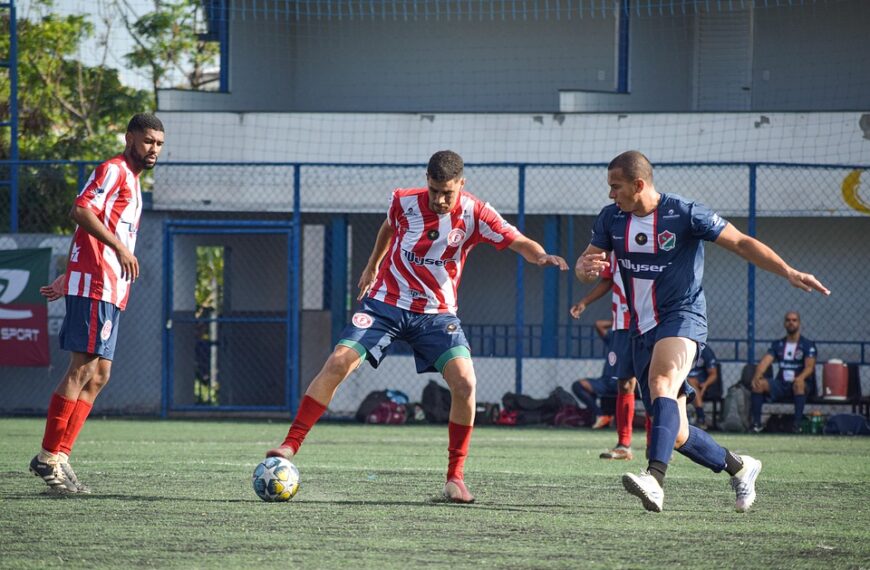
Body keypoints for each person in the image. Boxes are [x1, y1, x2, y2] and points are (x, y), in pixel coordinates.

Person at [266, 150, 568, 503]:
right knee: (338, 362)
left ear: (462, 184)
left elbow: (517, 240)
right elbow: (388, 227)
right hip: (385, 305)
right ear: (426, 181)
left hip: (437, 315)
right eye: (434, 190)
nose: (439, 199)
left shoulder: (475, 212)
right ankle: (290, 444)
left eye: (447, 193)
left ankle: (455, 478)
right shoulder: (404, 201)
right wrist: (372, 266)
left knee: (465, 383)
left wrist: (540, 255)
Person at [576, 150, 829, 513]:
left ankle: (655, 479)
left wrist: (788, 271)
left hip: (683, 317)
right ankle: (741, 467)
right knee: (676, 432)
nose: (610, 194)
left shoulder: (684, 213)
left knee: (662, 380)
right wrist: (585, 268)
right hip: (641, 329)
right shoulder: (611, 219)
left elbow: (741, 242)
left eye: (615, 187)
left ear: (639, 184)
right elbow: (588, 268)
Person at [30, 114, 166, 493]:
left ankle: (60, 455)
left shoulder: (134, 182)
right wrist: (115, 250)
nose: (153, 148)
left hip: (107, 288)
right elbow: (80, 210)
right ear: (130, 138)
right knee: (82, 367)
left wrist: (71, 270)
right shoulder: (113, 170)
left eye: (158, 143)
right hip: (96, 286)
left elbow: (87, 227)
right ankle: (46, 457)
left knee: (100, 375)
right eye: (148, 140)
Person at [569, 251, 639, 460]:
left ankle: (656, 445)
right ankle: (623, 445)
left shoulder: (653, 238)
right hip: (621, 324)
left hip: (651, 320)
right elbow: (607, 280)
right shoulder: (615, 246)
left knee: (654, 383)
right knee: (624, 383)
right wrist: (585, 302)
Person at [749, 311, 817, 433]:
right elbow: (765, 362)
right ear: (784, 323)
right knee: (759, 385)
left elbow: (809, 367)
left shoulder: (807, 345)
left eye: (794, 320)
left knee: (799, 385)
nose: (791, 322)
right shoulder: (778, 344)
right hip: (781, 384)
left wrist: (800, 378)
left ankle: (797, 426)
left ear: (799, 323)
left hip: (800, 384)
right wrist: (757, 376)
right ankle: (756, 425)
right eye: (788, 320)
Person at [686, 344, 719, 430]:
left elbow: (713, 374)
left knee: (690, 382)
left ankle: (701, 418)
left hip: (700, 382)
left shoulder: (705, 350)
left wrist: (705, 384)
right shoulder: (679, 347)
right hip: (681, 380)